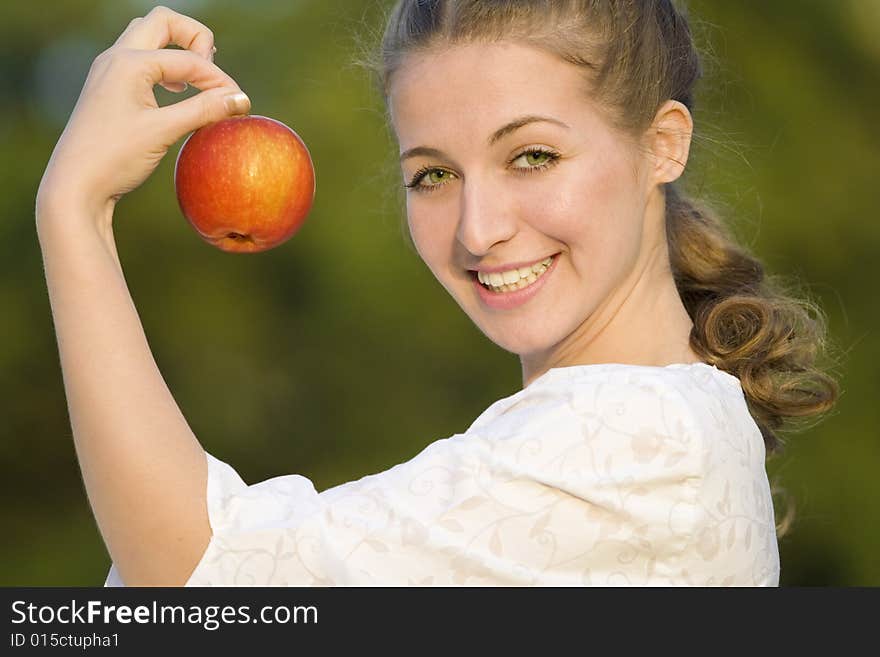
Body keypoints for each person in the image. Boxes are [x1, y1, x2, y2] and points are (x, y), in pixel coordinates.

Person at [35, 1, 838, 587]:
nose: (478, 229)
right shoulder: (666, 419)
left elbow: (201, 574)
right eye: (434, 175)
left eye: (532, 156)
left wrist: (73, 210)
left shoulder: (632, 438)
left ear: (661, 144)